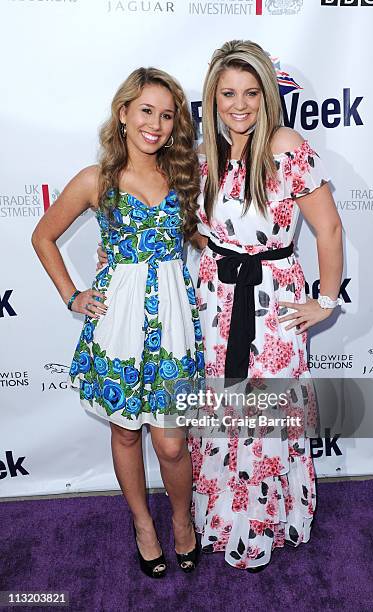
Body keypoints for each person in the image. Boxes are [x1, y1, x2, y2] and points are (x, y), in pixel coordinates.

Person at [31, 67, 204, 578]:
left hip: (172, 320)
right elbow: (43, 236)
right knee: (126, 433)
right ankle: (142, 526)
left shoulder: (186, 175)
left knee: (171, 439)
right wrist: (72, 295)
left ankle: (181, 521)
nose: (156, 123)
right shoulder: (96, 179)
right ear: (123, 113)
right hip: (119, 323)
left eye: (167, 114)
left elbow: (207, 239)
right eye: (146, 110)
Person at [188, 40, 343, 571]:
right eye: (228, 92)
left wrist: (324, 299)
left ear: (266, 95)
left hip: (272, 299)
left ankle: (265, 521)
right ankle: (220, 517)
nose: (239, 104)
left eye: (251, 92)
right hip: (215, 299)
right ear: (212, 97)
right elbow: (192, 225)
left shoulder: (286, 147)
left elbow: (329, 227)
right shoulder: (203, 152)